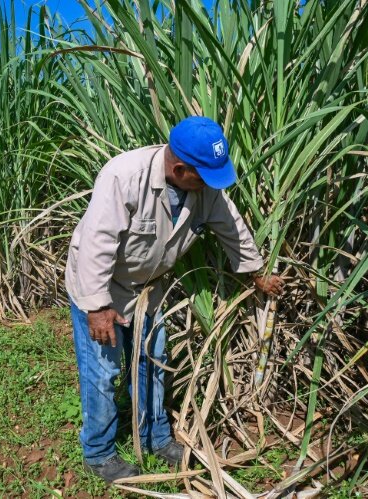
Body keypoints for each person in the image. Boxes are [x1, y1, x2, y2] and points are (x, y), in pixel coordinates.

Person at [65, 116, 284, 483]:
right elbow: (96, 243)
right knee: (103, 372)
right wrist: (98, 306)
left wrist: (256, 272)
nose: (210, 187)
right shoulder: (123, 177)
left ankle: (156, 437)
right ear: (180, 168)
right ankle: (99, 453)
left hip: (149, 289)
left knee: (152, 362)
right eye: (203, 177)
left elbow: (232, 227)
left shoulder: (203, 187)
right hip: (104, 288)